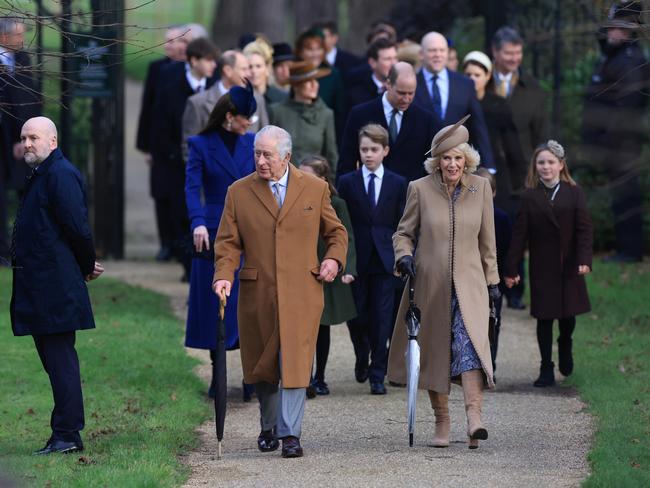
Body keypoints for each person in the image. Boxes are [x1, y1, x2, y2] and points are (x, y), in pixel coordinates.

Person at [213, 125, 348, 459]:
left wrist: (333, 260)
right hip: (258, 291)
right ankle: (269, 425)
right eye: (257, 153)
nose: (260, 161)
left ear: (286, 156)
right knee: (263, 363)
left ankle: (290, 434)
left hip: (303, 290)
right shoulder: (238, 192)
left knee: (296, 361)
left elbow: (336, 233)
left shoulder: (315, 188)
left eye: (267, 155)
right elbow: (228, 243)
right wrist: (223, 276)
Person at [387, 118, 499, 449]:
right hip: (430, 286)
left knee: (470, 348)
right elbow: (403, 233)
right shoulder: (419, 188)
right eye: (446, 158)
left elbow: (488, 243)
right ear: (437, 162)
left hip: (470, 286)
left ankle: (474, 419)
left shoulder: (480, 189)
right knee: (435, 351)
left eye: (458, 158)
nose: (452, 164)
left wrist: (493, 282)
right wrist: (403, 256)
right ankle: (442, 422)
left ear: (468, 161)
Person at [10, 117, 104, 455]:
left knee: (61, 361)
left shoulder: (60, 174)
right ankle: (64, 432)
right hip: (43, 285)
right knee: (55, 361)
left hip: (55, 286)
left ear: (53, 140)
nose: (27, 143)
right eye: (24, 138)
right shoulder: (41, 173)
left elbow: (78, 228)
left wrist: (84, 265)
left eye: (34, 137)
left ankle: (67, 434)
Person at [185, 85, 257, 399]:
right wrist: (198, 222)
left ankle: (252, 375)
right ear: (229, 117)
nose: (250, 123)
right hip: (213, 229)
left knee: (248, 304)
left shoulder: (253, 144)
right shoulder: (200, 144)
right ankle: (218, 374)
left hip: (249, 229)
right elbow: (191, 187)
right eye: (245, 118)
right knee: (217, 303)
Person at [504, 141, 593, 387]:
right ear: (535, 166)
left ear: (561, 165)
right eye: (541, 162)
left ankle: (565, 343)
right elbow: (519, 236)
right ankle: (546, 367)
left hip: (570, 265)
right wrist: (511, 269)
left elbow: (584, 229)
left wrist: (585, 259)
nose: (546, 167)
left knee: (567, 317)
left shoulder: (574, 192)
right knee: (544, 318)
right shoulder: (529, 196)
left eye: (551, 162)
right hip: (543, 267)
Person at [338, 124, 407, 394]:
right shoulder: (347, 181)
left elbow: (402, 221)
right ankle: (361, 354)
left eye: (374, 150)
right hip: (357, 257)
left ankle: (378, 372)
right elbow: (342, 222)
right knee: (357, 316)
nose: (368, 154)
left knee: (382, 316)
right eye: (364, 149)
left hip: (385, 258)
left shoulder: (397, 183)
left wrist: (402, 255)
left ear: (385, 151)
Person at [582, 0, 646, 262]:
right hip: (613, 145)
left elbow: (626, 106)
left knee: (626, 195)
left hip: (622, 145)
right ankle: (626, 248)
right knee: (619, 196)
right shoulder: (613, 57)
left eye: (615, 28)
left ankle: (630, 250)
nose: (610, 33)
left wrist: (608, 141)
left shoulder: (631, 61)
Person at [490, 26, 548, 309]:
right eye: (508, 53)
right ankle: (493, 286)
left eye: (518, 52)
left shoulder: (533, 88)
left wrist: (540, 170)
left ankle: (515, 289)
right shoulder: (481, 85)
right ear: (495, 53)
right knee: (492, 231)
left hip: (521, 173)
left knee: (518, 231)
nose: (514, 58)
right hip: (490, 172)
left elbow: (541, 133)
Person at [151, 37, 218, 281]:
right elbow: (159, 129)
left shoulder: (215, 89)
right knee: (182, 215)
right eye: (208, 60)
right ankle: (189, 266)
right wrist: (177, 157)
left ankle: (202, 265)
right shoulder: (170, 89)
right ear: (193, 60)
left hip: (210, 168)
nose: (213, 65)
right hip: (179, 167)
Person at [299, 155, 357, 396]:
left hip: (327, 271)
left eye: (308, 176)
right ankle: (303, 377)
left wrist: (347, 267)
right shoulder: (294, 201)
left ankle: (319, 377)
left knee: (322, 327)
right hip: (302, 269)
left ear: (322, 179)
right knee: (302, 328)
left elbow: (347, 237)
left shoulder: (336, 203)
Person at [136, 24, 188, 262]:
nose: (169, 45)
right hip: (159, 141)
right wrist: (146, 146)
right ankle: (165, 242)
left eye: (174, 40)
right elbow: (147, 107)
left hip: (182, 141)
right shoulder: (156, 68)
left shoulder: (192, 69)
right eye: (167, 40)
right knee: (160, 192)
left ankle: (181, 243)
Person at [338, 62, 435, 183]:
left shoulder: (425, 119)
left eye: (411, 93)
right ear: (388, 84)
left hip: (411, 196)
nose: (406, 99)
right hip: (371, 195)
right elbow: (347, 161)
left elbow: (429, 163)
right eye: (401, 93)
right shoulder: (360, 114)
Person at [413, 32, 494, 170]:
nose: (438, 54)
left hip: (456, 167)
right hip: (418, 166)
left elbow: (478, 126)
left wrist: (489, 166)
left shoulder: (465, 84)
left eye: (442, 50)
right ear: (421, 54)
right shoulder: (411, 83)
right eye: (432, 50)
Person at [463, 51, 527, 215]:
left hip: (494, 171)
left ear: (488, 76)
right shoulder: (458, 103)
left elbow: (511, 144)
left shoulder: (498, 104)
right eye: (468, 74)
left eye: (477, 75)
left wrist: (519, 179)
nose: (472, 79)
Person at [0, 16, 41, 261]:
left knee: (28, 192)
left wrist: (27, 137)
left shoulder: (24, 60)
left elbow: (31, 100)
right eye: (18, 35)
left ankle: (26, 247)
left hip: (21, 141)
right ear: (4, 37)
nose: (22, 39)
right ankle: (2, 251)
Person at [268, 61, 338, 169]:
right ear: (296, 86)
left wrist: (329, 184)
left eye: (316, 80)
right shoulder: (277, 112)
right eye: (308, 81)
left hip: (315, 180)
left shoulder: (326, 114)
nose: (314, 85)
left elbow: (331, 156)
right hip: (284, 179)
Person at [476, 167, 511, 377]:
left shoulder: (501, 218)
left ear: (494, 193)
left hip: (493, 277)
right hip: (470, 275)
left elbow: (506, 249)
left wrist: (503, 275)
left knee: (493, 320)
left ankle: (490, 364)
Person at [182, 50, 250, 158]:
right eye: (244, 69)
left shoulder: (257, 100)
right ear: (227, 70)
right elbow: (189, 148)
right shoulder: (197, 103)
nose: (249, 74)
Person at [295, 28, 346, 140]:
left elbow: (340, 112)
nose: (315, 54)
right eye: (310, 49)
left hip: (325, 135)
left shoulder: (333, 74)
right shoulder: (294, 74)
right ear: (300, 52)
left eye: (319, 49)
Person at [243, 39, 288, 130]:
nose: (254, 71)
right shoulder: (240, 98)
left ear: (267, 68)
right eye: (250, 67)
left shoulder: (282, 98)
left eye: (258, 66)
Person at [346, 38, 398, 111]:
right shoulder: (357, 94)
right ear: (372, 62)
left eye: (395, 58)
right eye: (388, 59)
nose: (393, 63)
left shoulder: (405, 90)